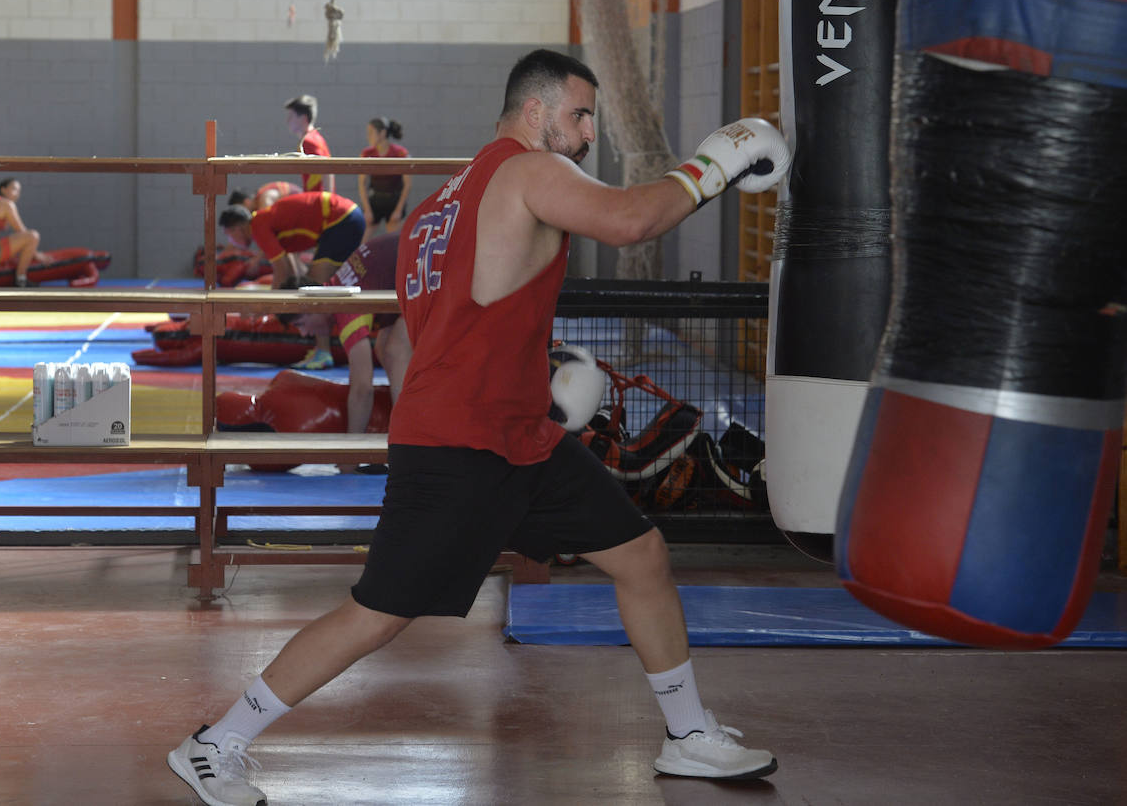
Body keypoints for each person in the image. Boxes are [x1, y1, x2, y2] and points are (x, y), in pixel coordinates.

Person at [169, 49, 791, 804]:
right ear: (535, 113)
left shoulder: (438, 207)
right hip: (464, 448)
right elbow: (632, 220)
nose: (589, 132)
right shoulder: (530, 171)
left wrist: (509, 376)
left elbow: (405, 342)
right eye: (579, 114)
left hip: (517, 438)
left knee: (642, 556)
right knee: (379, 613)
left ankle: (688, 736)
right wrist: (715, 165)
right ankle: (215, 744)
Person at [286, 231, 410, 464]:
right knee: (384, 347)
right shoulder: (339, 286)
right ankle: (406, 433)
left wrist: (349, 456)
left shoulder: (344, 306)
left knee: (396, 351)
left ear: (312, 305)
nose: (304, 333)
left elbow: (363, 389)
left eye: (300, 324)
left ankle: (407, 445)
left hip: (426, 260)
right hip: (409, 263)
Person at [220, 190, 366, 370]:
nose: (231, 242)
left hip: (341, 219)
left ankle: (324, 351)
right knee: (311, 283)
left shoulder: (258, 225)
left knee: (314, 289)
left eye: (229, 235)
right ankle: (322, 348)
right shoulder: (268, 223)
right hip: (343, 218)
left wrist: (267, 308)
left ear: (237, 228)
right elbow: (291, 271)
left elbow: (281, 271)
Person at [356, 116, 412, 240]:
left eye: (371, 133)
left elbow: (407, 184)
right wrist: (367, 209)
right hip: (375, 199)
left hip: (394, 200)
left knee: (393, 242)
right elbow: (362, 184)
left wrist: (398, 209)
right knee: (361, 241)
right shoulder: (366, 153)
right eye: (367, 133)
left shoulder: (400, 153)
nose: (368, 136)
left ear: (382, 133)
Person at [284, 94, 334, 195]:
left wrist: (328, 199)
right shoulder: (315, 137)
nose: (287, 120)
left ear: (303, 118)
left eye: (291, 116)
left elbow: (327, 169)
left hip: (317, 199)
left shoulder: (308, 141)